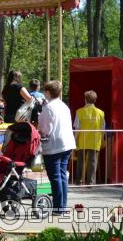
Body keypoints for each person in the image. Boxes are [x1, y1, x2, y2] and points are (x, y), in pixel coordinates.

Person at [38, 80, 75, 215]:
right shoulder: (65, 106)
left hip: (54, 145)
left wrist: (38, 130)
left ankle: (58, 207)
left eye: (45, 91)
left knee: (55, 177)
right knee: (62, 175)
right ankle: (62, 206)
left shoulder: (48, 108)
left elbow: (45, 129)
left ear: (48, 92)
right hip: (67, 144)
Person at [73, 90, 105, 185]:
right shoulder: (101, 113)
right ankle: (90, 182)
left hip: (82, 140)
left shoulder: (79, 112)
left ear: (85, 99)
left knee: (80, 162)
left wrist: (74, 140)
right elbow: (103, 129)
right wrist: (102, 140)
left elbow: (77, 128)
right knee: (92, 162)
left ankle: (79, 181)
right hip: (95, 141)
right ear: (95, 100)